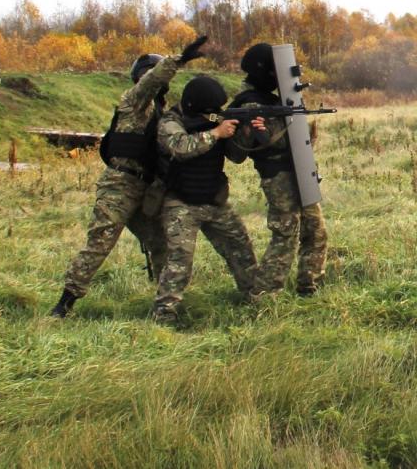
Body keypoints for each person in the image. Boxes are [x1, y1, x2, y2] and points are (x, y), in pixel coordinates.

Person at [50, 35, 209, 318]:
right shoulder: (134, 101)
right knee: (100, 244)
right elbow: (150, 82)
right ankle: (64, 304)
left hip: (146, 189)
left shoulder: (161, 112)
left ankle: (166, 307)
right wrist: (178, 60)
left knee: (162, 244)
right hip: (120, 186)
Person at [152, 75, 260, 322]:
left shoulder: (214, 120)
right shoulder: (170, 121)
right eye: (209, 111)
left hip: (214, 199)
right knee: (180, 260)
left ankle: (255, 298)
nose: (214, 114)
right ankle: (165, 314)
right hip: (181, 202)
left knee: (240, 247)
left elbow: (236, 156)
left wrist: (245, 132)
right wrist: (216, 133)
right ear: (194, 106)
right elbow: (181, 147)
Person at [229, 43, 328, 298]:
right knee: (286, 235)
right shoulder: (249, 104)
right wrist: (263, 129)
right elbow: (251, 147)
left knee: (315, 229)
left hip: (298, 169)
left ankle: (309, 286)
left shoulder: (271, 99)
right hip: (278, 176)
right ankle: (264, 294)